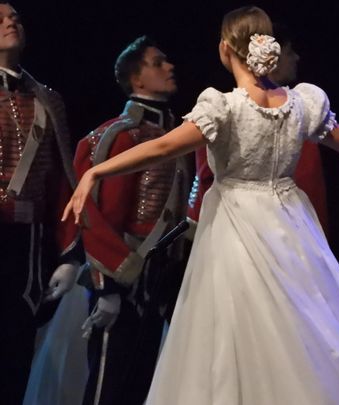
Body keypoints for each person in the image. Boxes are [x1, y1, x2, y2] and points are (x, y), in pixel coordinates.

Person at [63, 6, 339, 405]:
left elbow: (163, 147)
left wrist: (96, 172)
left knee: (236, 327)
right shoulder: (299, 103)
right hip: (291, 227)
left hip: (236, 226)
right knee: (299, 324)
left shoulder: (224, 107)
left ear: (225, 49)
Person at [72, 36, 190, 405]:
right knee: (109, 386)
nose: (169, 67)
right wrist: (107, 286)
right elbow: (92, 214)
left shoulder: (178, 134)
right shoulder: (118, 135)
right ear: (137, 79)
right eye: (158, 63)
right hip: (124, 276)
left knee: (143, 383)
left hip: (162, 275)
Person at [0, 2, 81, 403]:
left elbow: (61, 182)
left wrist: (70, 254)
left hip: (27, 244)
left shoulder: (49, 100)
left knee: (15, 353)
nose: (10, 22)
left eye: (14, 16)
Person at [187, 22, 329, 235]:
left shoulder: (302, 110)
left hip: (296, 225)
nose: (296, 58)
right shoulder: (224, 112)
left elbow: (315, 182)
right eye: (289, 52)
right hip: (242, 226)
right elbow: (203, 176)